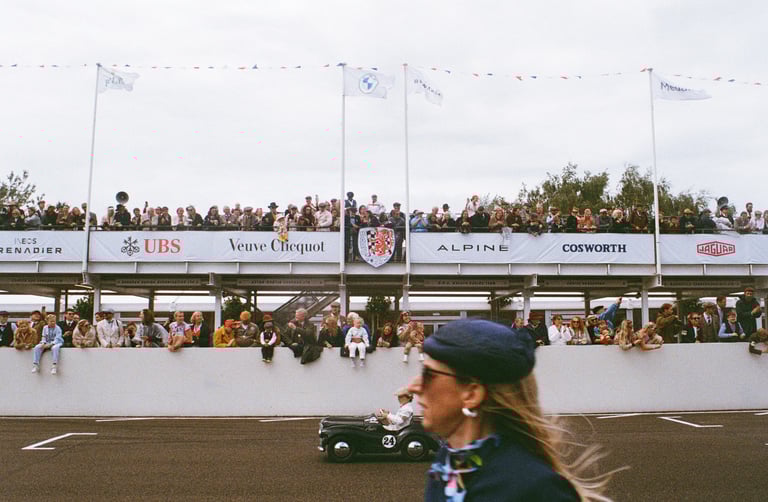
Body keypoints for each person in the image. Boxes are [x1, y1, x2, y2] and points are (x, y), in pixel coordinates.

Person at [408, 319, 607, 501]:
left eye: (429, 374)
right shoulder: (449, 462)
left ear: (472, 394)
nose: (413, 387)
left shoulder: (535, 489)